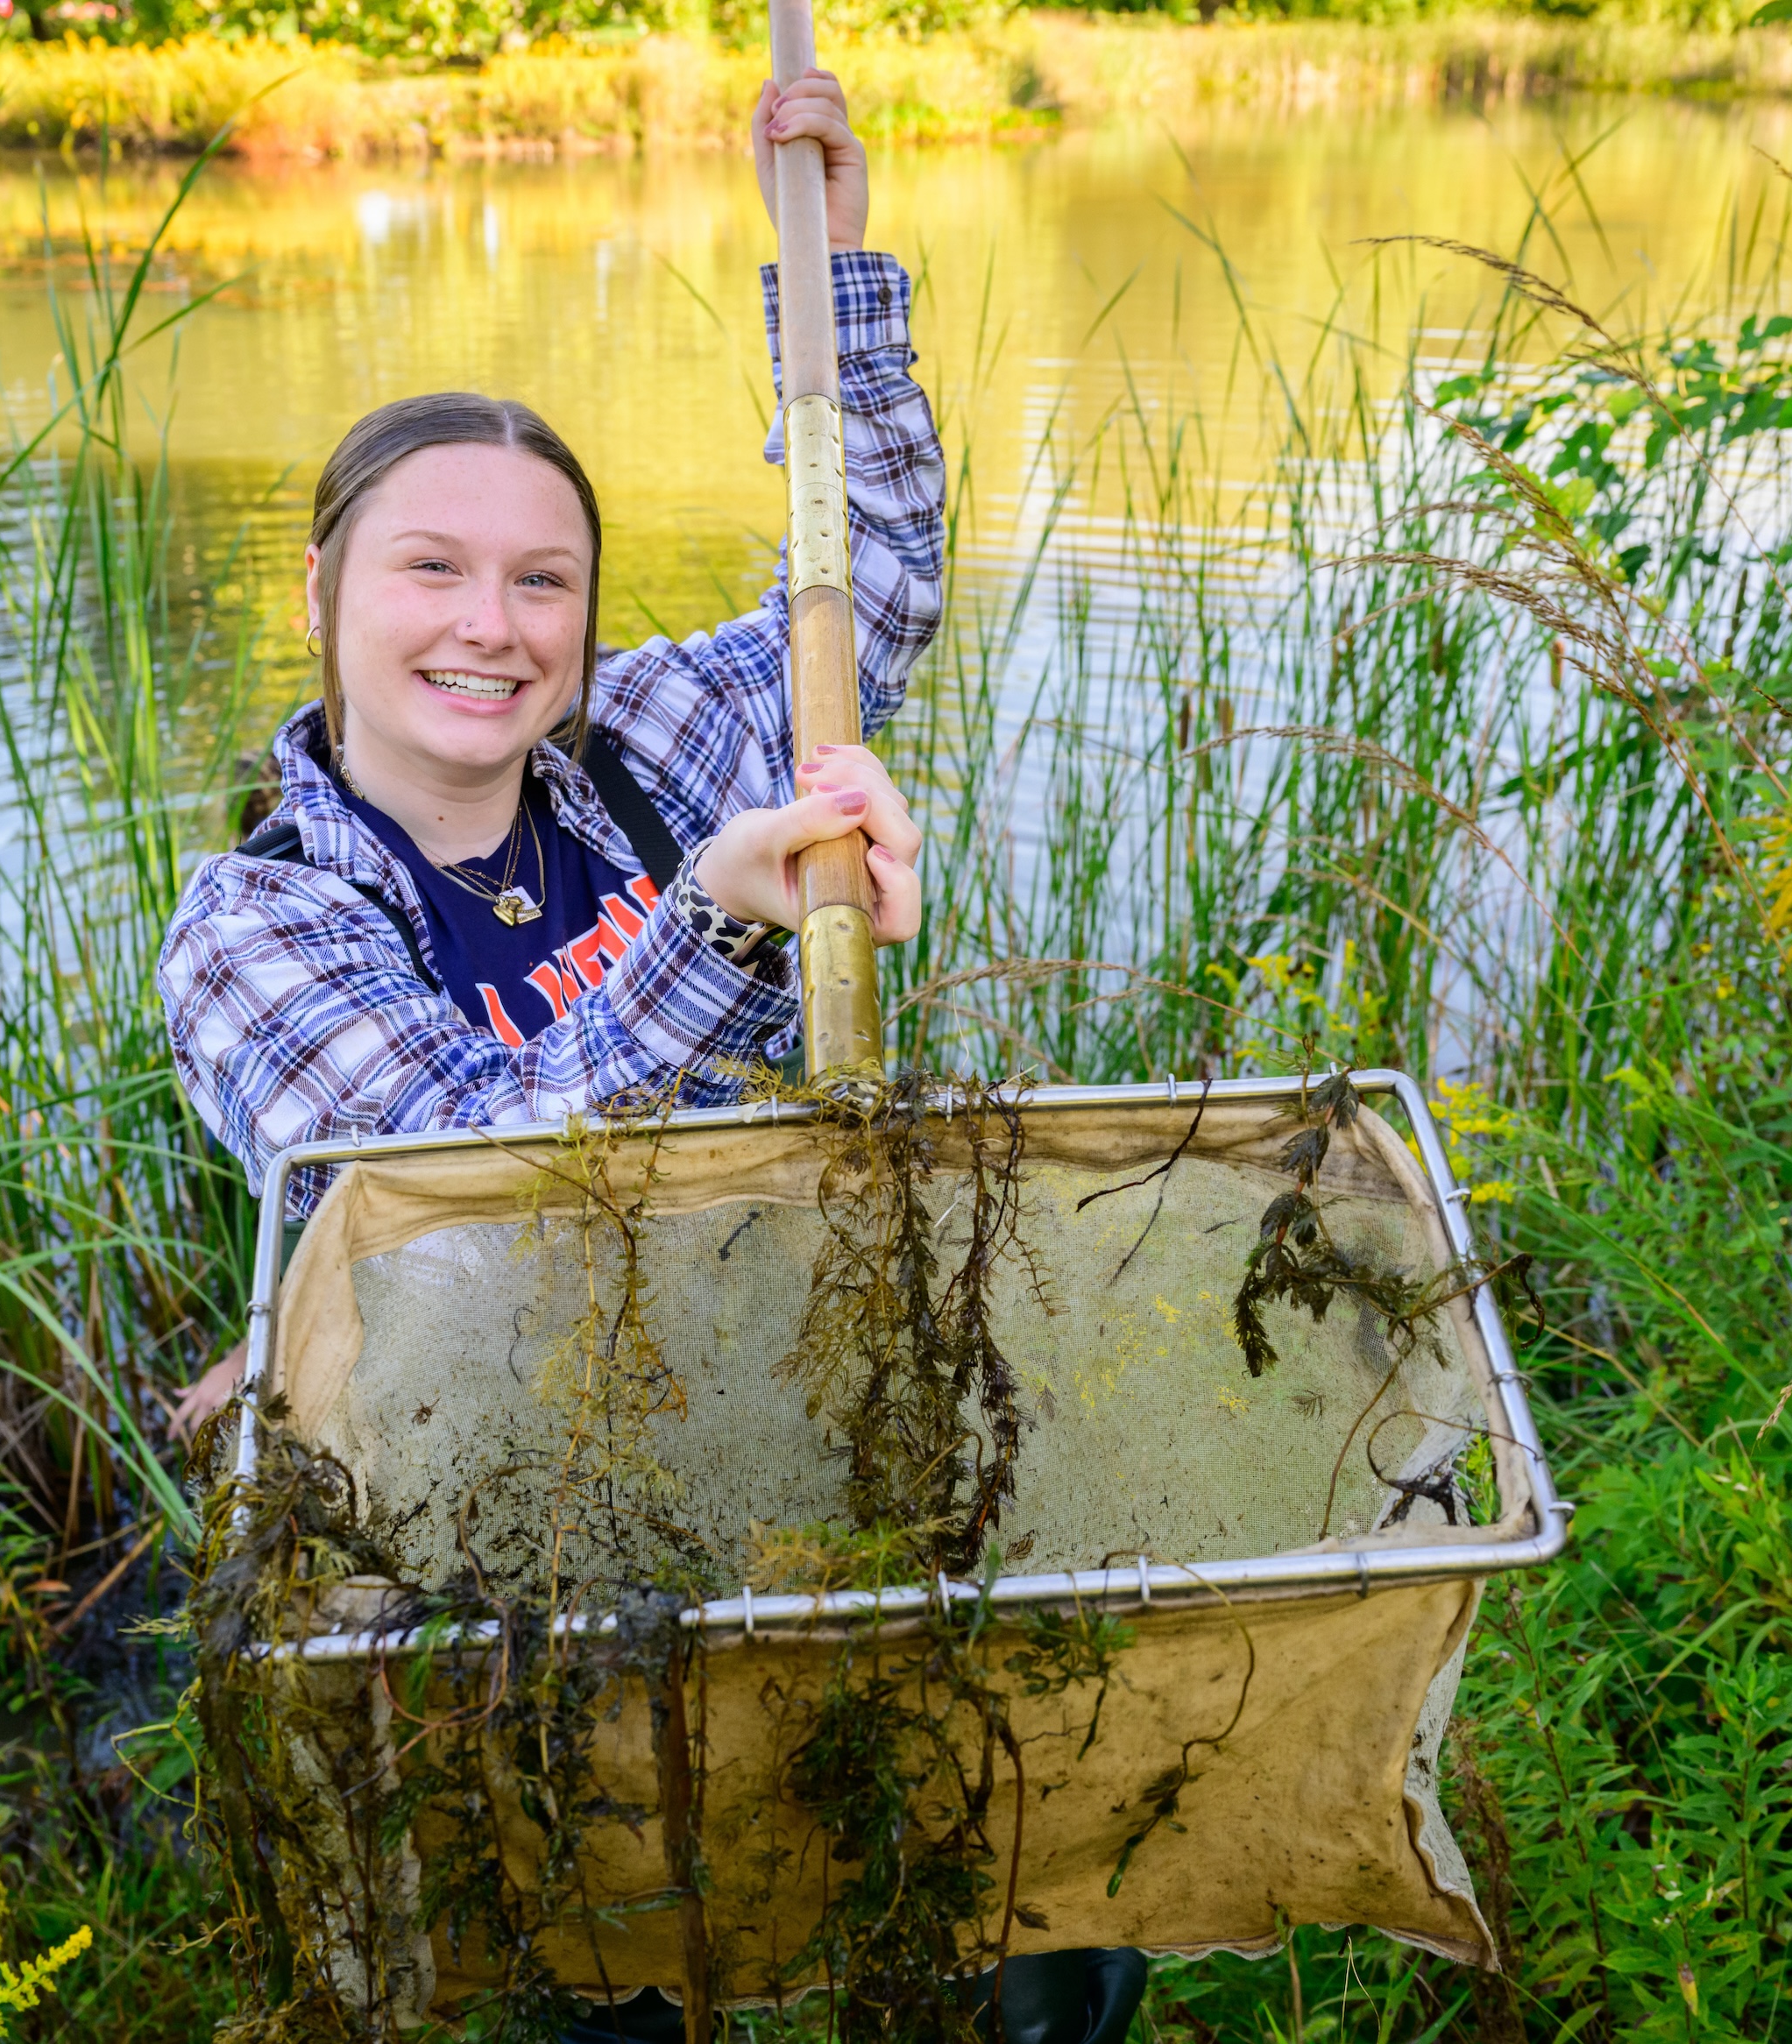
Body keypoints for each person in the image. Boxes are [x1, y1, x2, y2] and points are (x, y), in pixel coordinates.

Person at [152, 71, 1145, 2044]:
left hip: (753, 1400)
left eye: (541, 581)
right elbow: (446, 1192)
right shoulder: (255, 927)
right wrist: (713, 927)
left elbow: (863, 595)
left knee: (1025, 1879)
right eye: (429, 568)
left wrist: (834, 278)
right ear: (327, 594)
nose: (490, 627)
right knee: (603, 1949)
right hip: (488, 1526)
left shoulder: (628, 743)